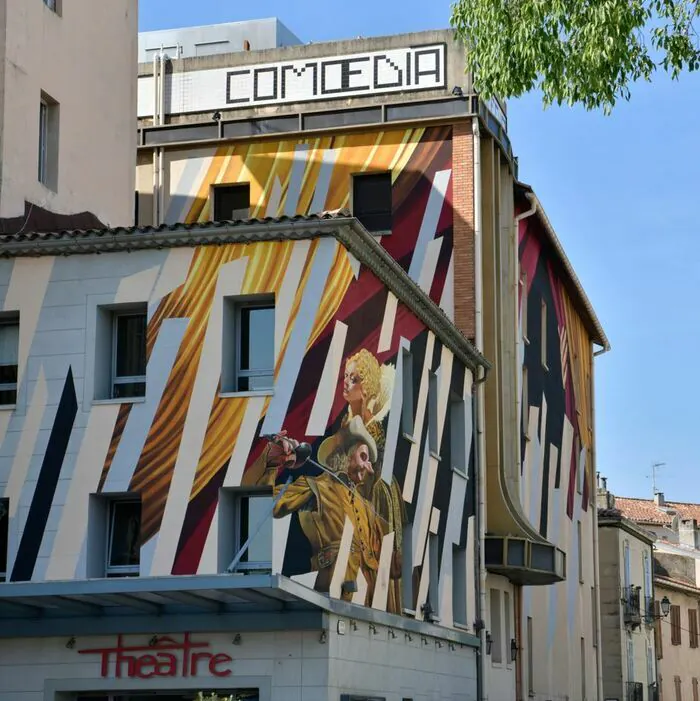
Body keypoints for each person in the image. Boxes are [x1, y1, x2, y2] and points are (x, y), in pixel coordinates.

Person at [241, 416, 386, 605]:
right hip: (328, 599)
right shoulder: (317, 486)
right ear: (346, 454)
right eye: (364, 458)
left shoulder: (365, 507)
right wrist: (271, 464)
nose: (370, 469)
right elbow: (264, 507)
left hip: (362, 607)